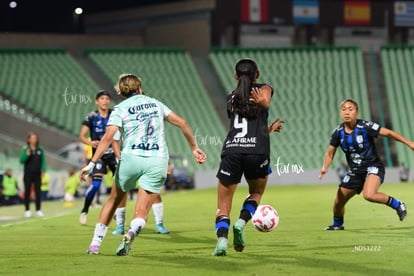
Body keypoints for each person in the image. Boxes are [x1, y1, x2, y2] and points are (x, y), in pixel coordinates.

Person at [80, 73, 206, 255]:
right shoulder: (156, 103)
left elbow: (108, 138)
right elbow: (182, 123)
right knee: (142, 210)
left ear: (122, 92)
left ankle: (95, 244)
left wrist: (91, 164)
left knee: (114, 199)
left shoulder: (120, 108)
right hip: (157, 160)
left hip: (131, 158)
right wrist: (194, 147)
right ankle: (132, 231)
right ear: (139, 88)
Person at [212, 59, 276, 256]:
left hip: (232, 151)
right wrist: (264, 104)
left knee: (223, 206)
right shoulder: (264, 88)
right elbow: (264, 103)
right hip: (257, 151)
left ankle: (222, 241)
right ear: (257, 75)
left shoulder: (231, 98)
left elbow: (244, 126)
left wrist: (268, 129)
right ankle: (241, 222)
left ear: (235, 76)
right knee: (256, 192)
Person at [319, 99, 414, 230]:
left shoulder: (365, 127)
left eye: (350, 109)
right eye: (344, 109)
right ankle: (338, 225)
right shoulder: (338, 132)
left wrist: (409, 143)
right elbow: (330, 153)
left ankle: (398, 204)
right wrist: (325, 167)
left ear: (357, 112)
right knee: (338, 201)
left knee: (369, 195)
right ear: (340, 112)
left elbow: (389, 133)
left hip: (373, 166)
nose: (347, 112)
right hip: (356, 171)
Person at [78, 90, 121, 225]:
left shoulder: (115, 114)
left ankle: (116, 212)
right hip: (99, 156)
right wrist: (90, 143)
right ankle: (85, 211)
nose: (105, 101)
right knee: (96, 185)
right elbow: (82, 136)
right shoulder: (91, 117)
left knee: (119, 185)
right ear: (96, 101)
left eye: (107, 99)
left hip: (113, 154)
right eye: (102, 98)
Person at [19, 131, 47, 218]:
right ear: (29, 139)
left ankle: (38, 210)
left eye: (35, 138)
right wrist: (27, 155)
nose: (34, 139)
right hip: (28, 173)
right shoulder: (25, 149)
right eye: (32, 138)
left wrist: (43, 170)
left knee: (38, 192)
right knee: (27, 191)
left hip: (37, 174)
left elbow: (43, 161)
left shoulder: (40, 149)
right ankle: (27, 210)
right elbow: (21, 160)